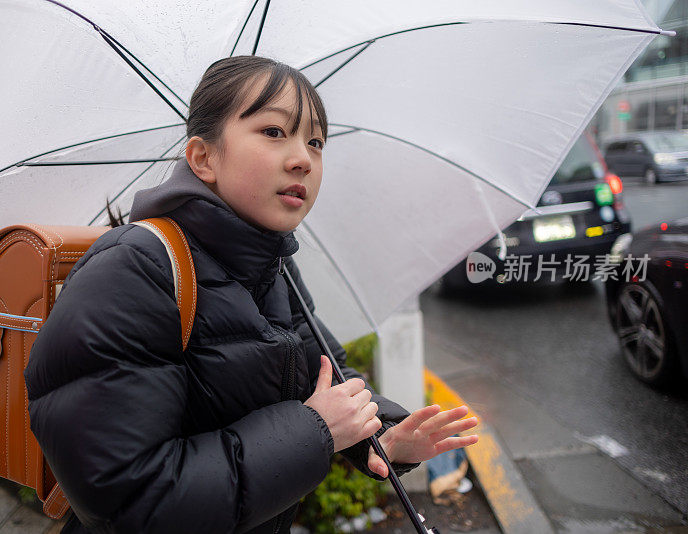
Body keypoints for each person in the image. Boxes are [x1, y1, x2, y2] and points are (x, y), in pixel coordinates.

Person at [24, 55, 478, 533]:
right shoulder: (133, 271)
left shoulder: (273, 267)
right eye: (274, 132)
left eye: (316, 140)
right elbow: (132, 502)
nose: (303, 157)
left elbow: (326, 376)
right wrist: (315, 430)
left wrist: (383, 437)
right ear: (203, 158)